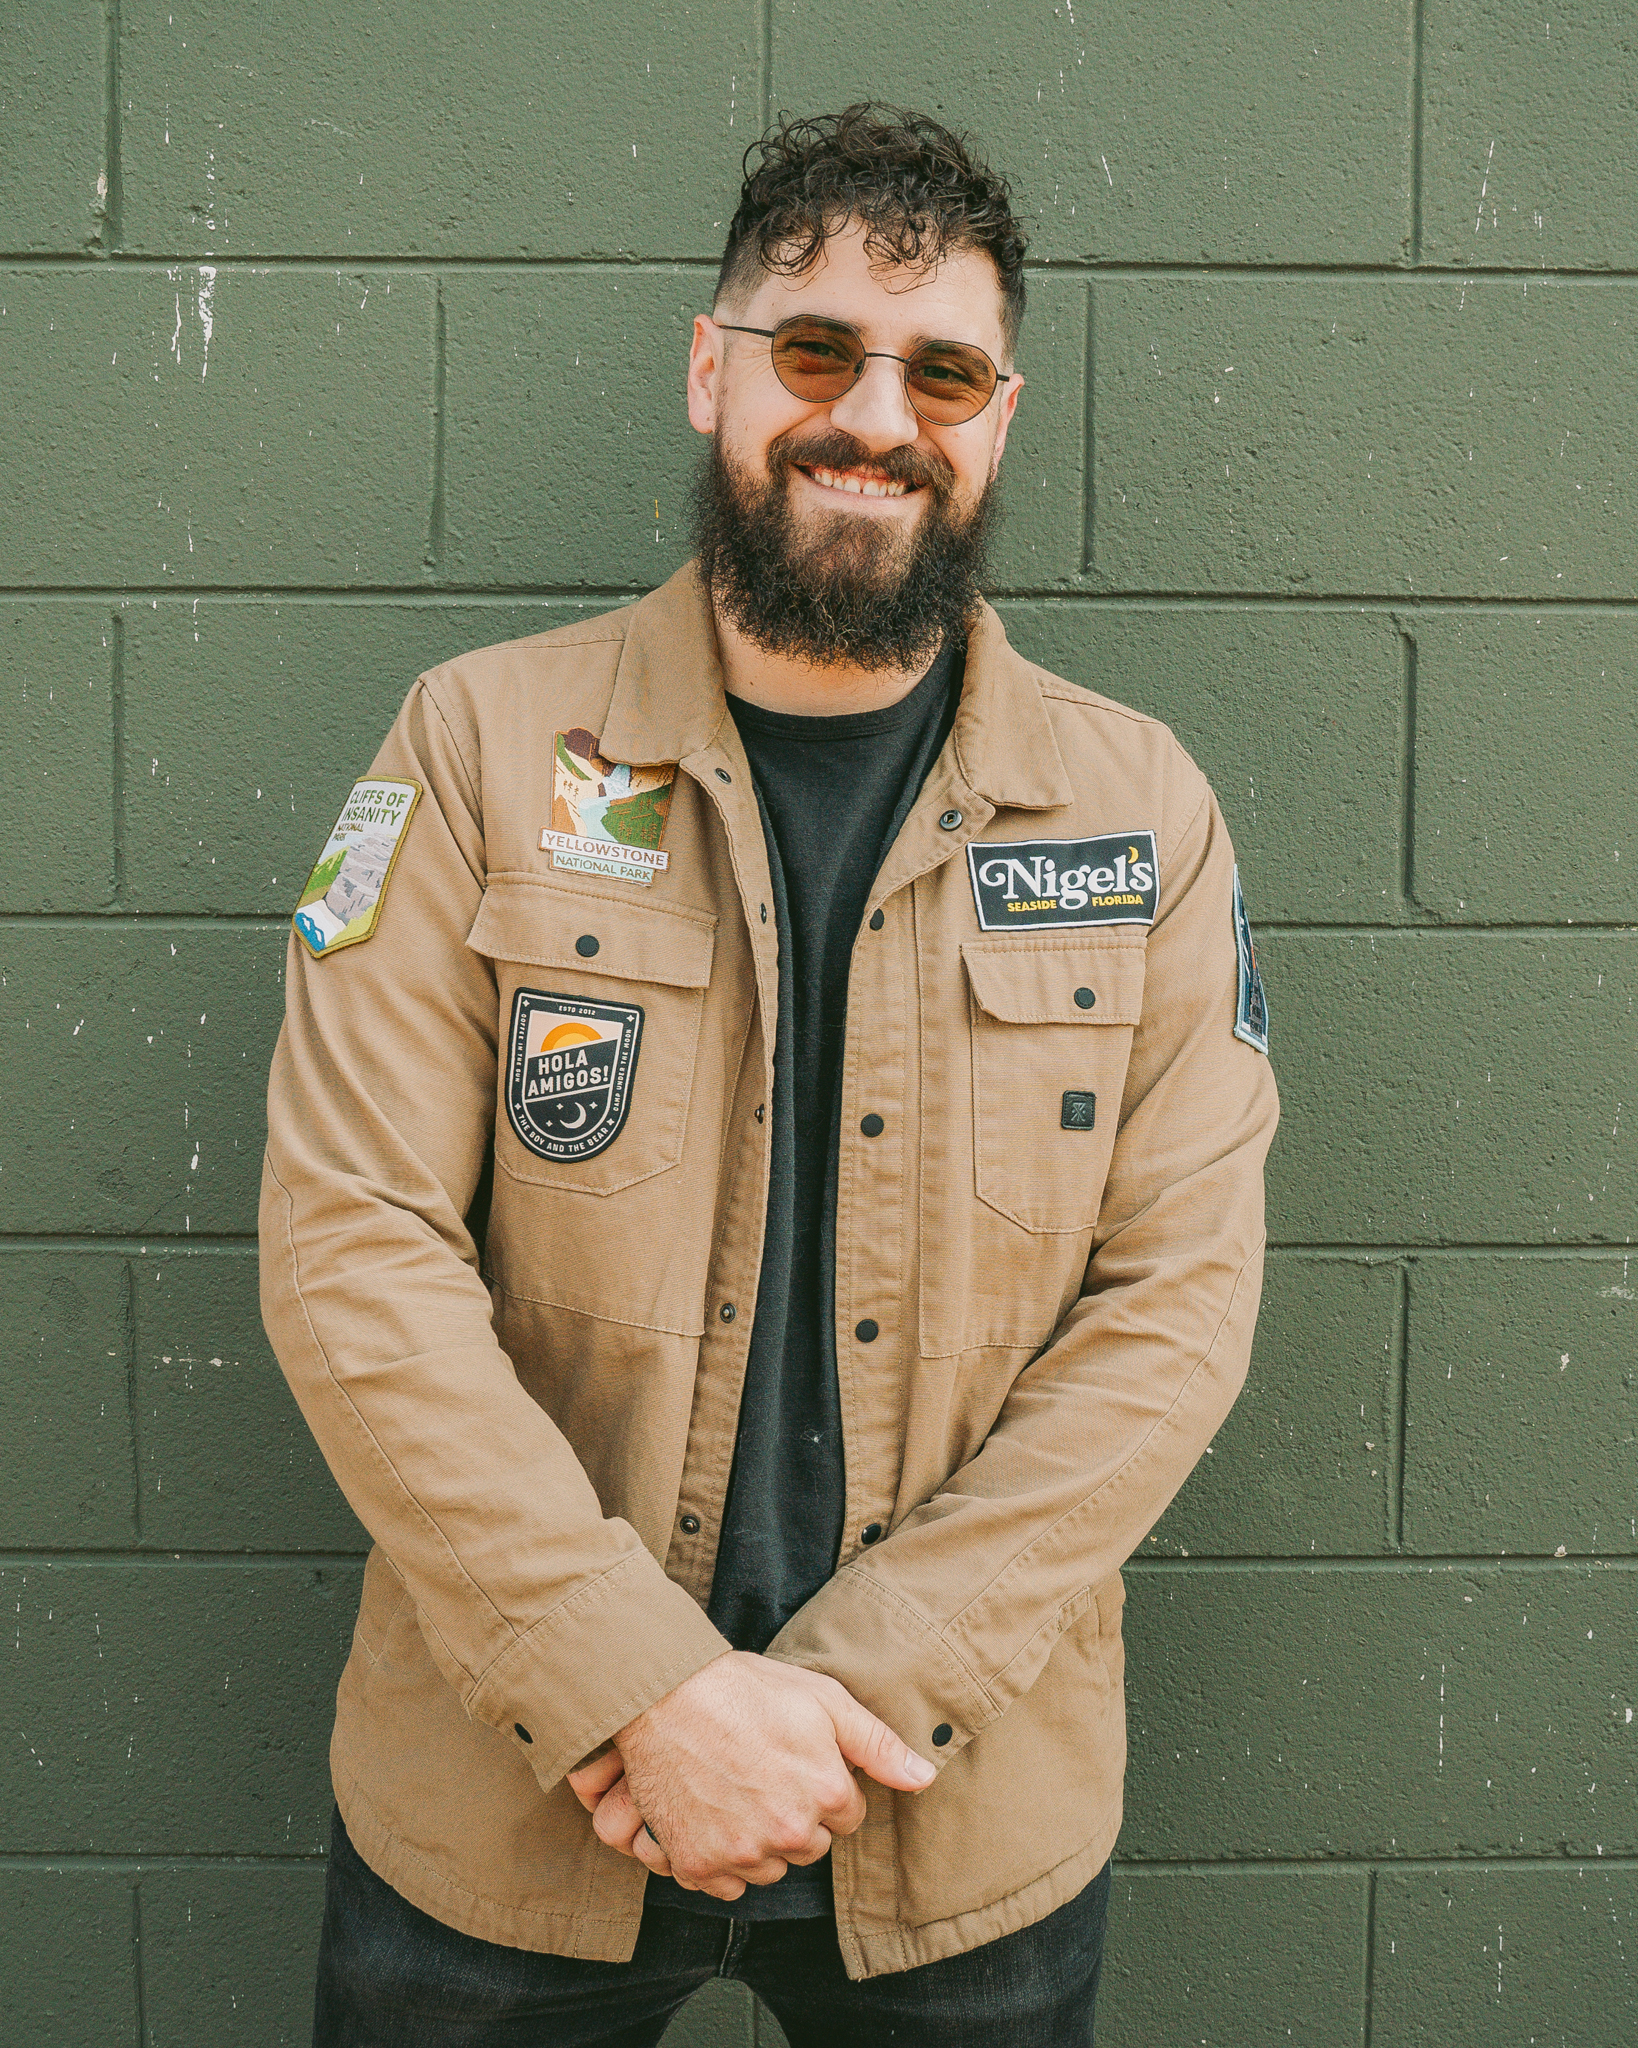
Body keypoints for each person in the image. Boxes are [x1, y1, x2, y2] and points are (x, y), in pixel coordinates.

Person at [261, 103, 1278, 2048]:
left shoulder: (1139, 811)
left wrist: (855, 1701)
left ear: (996, 412)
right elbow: (350, 1249)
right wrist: (641, 1688)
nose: (874, 414)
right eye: (817, 349)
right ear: (714, 368)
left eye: (943, 369)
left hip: (949, 1810)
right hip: (508, 1801)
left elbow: (1174, 1308)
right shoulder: (480, 750)